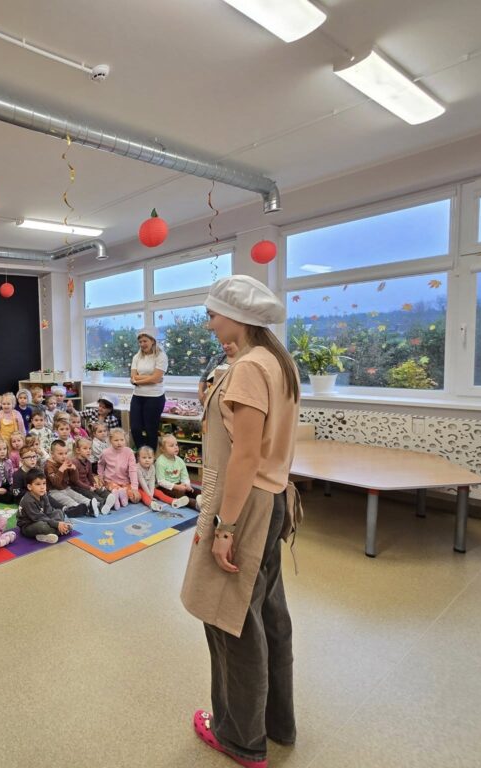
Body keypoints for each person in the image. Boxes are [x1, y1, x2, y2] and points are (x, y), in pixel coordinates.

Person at [181, 275, 301, 768]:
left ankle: (239, 738)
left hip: (245, 503)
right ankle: (276, 724)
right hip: (270, 499)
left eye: (213, 315)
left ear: (237, 316)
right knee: (267, 615)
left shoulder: (249, 368)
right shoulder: (275, 360)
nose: (210, 324)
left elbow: (245, 456)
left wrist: (225, 527)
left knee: (229, 620)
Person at [129, 328, 169, 452]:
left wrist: (138, 380)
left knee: (150, 429)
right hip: (137, 396)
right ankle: (142, 454)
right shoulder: (137, 357)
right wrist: (150, 378)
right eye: (140, 342)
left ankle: (150, 458)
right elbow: (133, 377)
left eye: (145, 341)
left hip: (155, 398)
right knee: (135, 428)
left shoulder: (161, 356)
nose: (142, 344)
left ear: (152, 341)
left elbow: (156, 378)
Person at [17, 469, 73, 544]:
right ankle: (61, 530)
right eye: (38, 484)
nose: (42, 487)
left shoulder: (43, 494)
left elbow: (49, 512)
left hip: (43, 518)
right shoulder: (28, 501)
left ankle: (57, 530)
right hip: (29, 525)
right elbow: (38, 518)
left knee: (59, 512)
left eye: (44, 483)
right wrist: (57, 524)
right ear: (30, 487)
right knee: (42, 526)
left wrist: (57, 523)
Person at [45, 439, 98, 516]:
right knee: (69, 501)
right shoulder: (48, 466)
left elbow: (74, 480)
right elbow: (55, 483)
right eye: (60, 454)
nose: (64, 456)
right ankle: (81, 509)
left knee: (79, 497)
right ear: (52, 454)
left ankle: (91, 505)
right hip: (54, 491)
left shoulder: (64, 461)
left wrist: (74, 469)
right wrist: (61, 469)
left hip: (67, 488)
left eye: (66, 453)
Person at [70, 437, 117, 515]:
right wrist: (89, 487)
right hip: (78, 488)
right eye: (85, 448)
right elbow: (76, 481)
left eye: (90, 448)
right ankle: (102, 505)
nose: (88, 451)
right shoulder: (74, 462)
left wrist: (94, 483)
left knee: (101, 491)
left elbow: (90, 476)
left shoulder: (88, 462)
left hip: (88, 485)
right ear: (78, 450)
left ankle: (108, 500)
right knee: (92, 495)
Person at [98, 428, 140, 510]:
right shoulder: (105, 452)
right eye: (116, 440)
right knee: (115, 490)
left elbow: (133, 470)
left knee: (135, 498)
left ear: (125, 440)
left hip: (125, 482)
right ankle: (116, 499)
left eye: (122, 440)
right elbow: (101, 464)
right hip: (110, 481)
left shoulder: (129, 452)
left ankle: (120, 497)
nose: (119, 442)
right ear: (110, 440)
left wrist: (134, 488)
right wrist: (100, 476)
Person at [137, 445, 181, 516]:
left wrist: (151, 493)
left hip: (148, 487)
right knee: (144, 495)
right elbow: (142, 483)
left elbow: (152, 481)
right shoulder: (137, 468)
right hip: (139, 488)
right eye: (144, 458)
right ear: (139, 458)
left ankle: (173, 501)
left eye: (149, 458)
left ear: (153, 458)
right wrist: (149, 495)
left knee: (159, 492)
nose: (147, 460)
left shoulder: (152, 467)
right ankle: (151, 504)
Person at [157, 434, 199, 509]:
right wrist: (176, 487)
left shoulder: (180, 461)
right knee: (181, 496)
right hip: (167, 488)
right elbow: (161, 481)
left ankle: (203, 499)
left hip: (179, 484)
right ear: (163, 449)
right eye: (171, 445)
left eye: (176, 444)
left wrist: (187, 485)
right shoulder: (160, 462)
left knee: (194, 491)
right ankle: (196, 505)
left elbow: (185, 477)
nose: (176, 447)